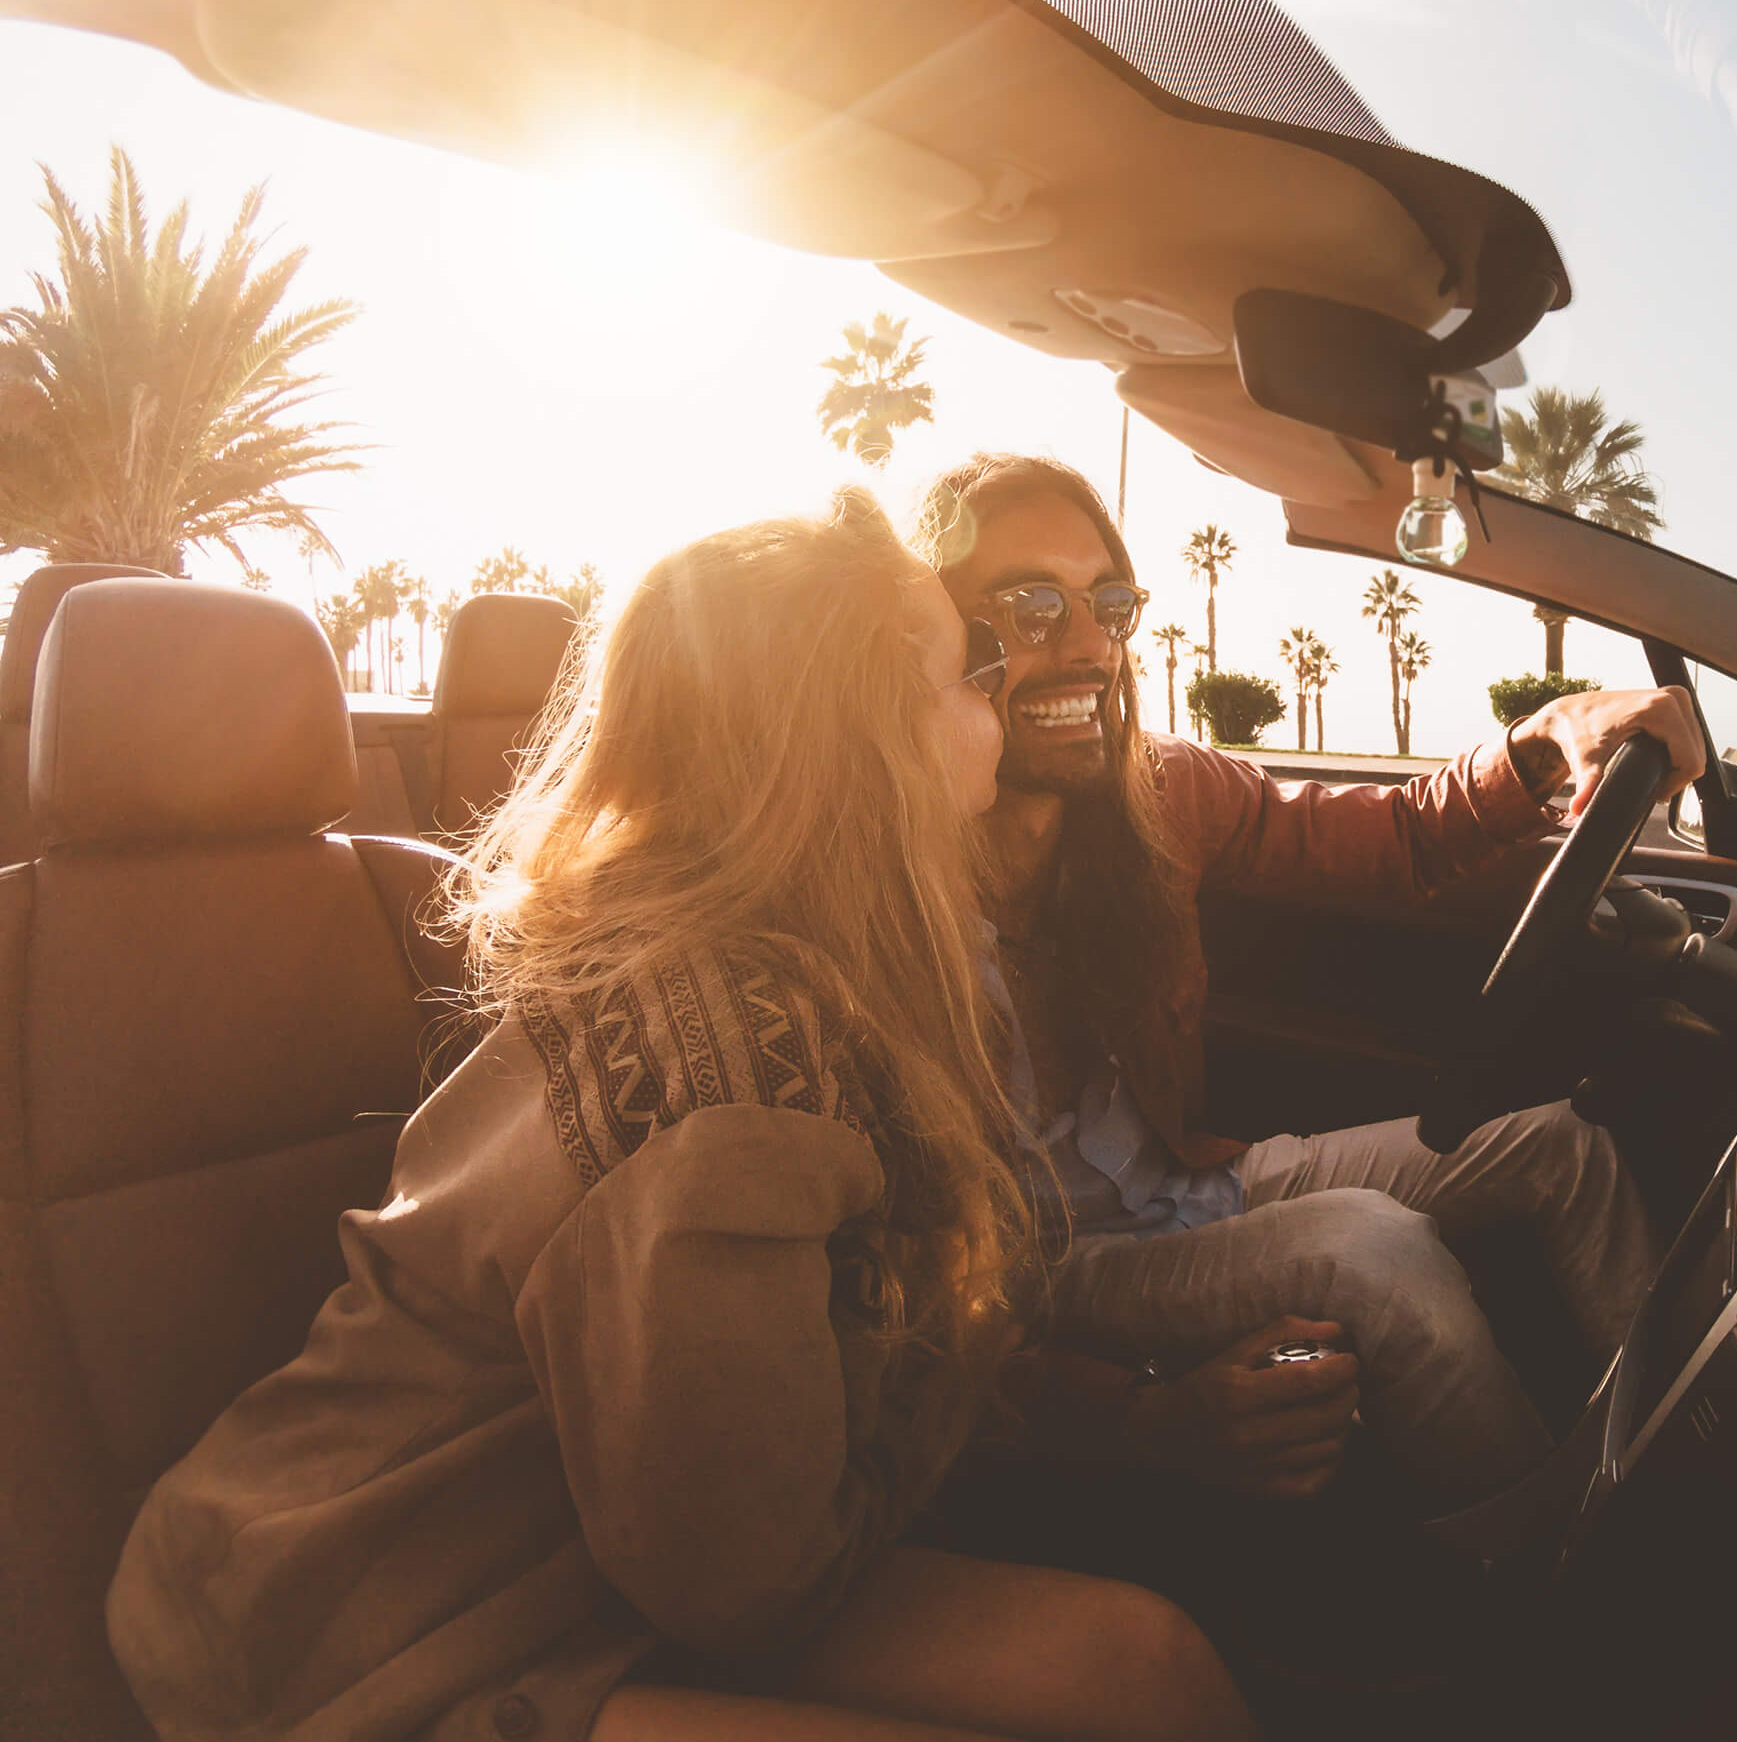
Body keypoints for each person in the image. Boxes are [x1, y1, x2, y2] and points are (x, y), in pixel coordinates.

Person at [106, 497, 1259, 1742]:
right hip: (366, 1633)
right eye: (970, 675)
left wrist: (1145, 1421)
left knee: (1144, 1668)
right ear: (859, 744)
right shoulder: (731, 1082)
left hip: (587, 1565)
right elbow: (753, 1585)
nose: (1000, 704)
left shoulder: (809, 980)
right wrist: (1104, 1413)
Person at [913, 454, 1706, 1511]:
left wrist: (1545, 739)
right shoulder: (878, 889)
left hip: (1185, 1184)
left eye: (1108, 603)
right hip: (1048, 1261)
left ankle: (1679, 1456)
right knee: (1373, 1250)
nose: (1088, 646)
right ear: (929, 642)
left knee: (1565, 1145)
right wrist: (1129, 1412)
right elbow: (907, 1302)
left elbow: (1386, 837)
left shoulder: (1157, 796)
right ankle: (1532, 1548)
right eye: (1029, 606)